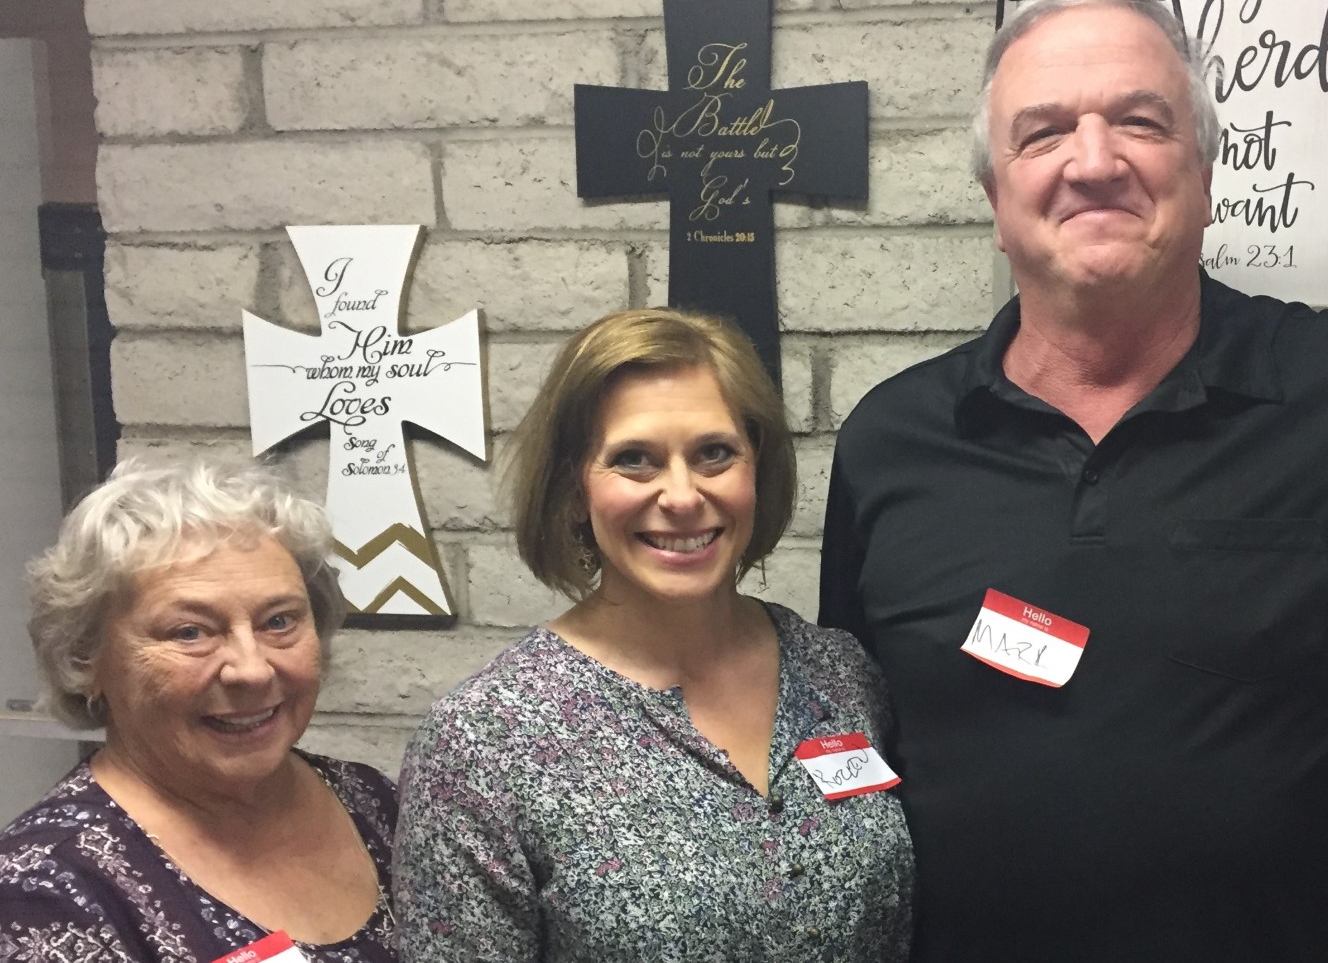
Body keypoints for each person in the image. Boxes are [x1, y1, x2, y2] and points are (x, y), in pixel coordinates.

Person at [818, 0, 1328, 963]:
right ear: (997, 202)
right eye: (1044, 133)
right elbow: (841, 728)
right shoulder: (892, 437)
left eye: (1140, 122)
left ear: (1207, 175)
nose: (1095, 162)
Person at [393, 309, 913, 962]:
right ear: (573, 488)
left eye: (714, 453)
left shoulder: (838, 672)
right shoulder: (483, 743)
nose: (682, 496)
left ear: (757, 467)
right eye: (634, 460)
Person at [0, 459, 398, 961]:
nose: (252, 671)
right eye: (190, 632)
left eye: (278, 622)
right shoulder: (41, 891)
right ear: (86, 659)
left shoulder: (373, 801)